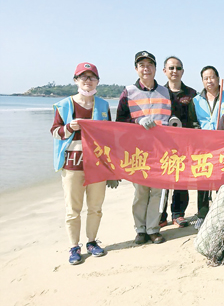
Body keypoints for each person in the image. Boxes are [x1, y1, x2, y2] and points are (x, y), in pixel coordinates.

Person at [52, 62, 114, 265]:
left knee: (96, 207)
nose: (88, 81)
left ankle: (92, 242)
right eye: (83, 77)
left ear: (97, 81)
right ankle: (73, 247)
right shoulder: (64, 105)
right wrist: (69, 127)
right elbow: (55, 131)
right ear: (76, 80)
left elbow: (110, 136)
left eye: (92, 77)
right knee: (73, 209)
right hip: (72, 164)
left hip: (97, 165)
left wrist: (113, 169)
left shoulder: (103, 105)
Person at [116, 51, 171, 245]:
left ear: (156, 69)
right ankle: (140, 229)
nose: (146, 69)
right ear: (136, 69)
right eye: (142, 65)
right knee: (140, 192)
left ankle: (153, 229)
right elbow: (119, 122)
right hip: (137, 151)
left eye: (150, 65)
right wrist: (137, 120)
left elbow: (171, 116)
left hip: (159, 150)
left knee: (157, 191)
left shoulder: (165, 92)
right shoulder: (128, 92)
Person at [188, 66, 224, 229]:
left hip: (223, 146)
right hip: (203, 147)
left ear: (218, 78)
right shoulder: (196, 100)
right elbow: (192, 121)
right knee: (203, 179)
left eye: (212, 77)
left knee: (222, 179)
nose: (209, 81)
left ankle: (221, 213)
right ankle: (202, 213)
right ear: (202, 81)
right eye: (206, 78)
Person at [159, 56, 197, 228]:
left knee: (181, 179)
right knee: (162, 180)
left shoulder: (191, 94)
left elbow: (196, 118)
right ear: (164, 71)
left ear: (183, 71)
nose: (175, 71)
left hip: (184, 143)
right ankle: (160, 214)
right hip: (162, 143)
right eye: (171, 68)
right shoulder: (158, 92)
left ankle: (178, 214)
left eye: (178, 68)